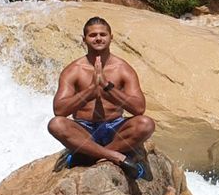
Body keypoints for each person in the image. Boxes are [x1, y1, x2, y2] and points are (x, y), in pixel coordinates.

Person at [48, 16, 155, 179]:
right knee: (56, 125)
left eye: (102, 34)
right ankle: (114, 156)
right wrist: (91, 90)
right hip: (85, 130)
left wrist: (107, 86)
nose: (98, 38)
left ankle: (92, 155)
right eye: (93, 35)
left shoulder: (123, 69)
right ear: (84, 39)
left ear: (111, 37)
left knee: (146, 124)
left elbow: (139, 108)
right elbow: (59, 110)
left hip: (115, 128)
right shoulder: (73, 70)